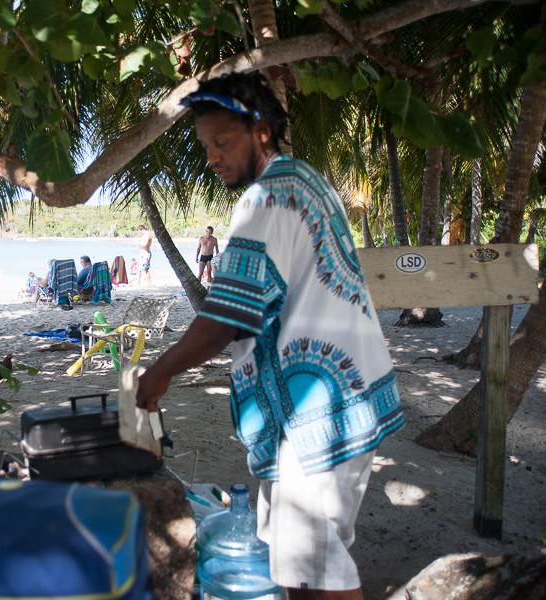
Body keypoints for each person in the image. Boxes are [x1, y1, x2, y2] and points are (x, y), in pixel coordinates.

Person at [135, 72, 403, 600]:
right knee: (298, 567)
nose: (212, 156)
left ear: (260, 130)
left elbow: (226, 321)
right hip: (333, 402)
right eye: (206, 145)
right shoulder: (303, 179)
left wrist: (160, 372)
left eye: (222, 141)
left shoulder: (267, 199)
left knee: (319, 570)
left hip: (319, 413)